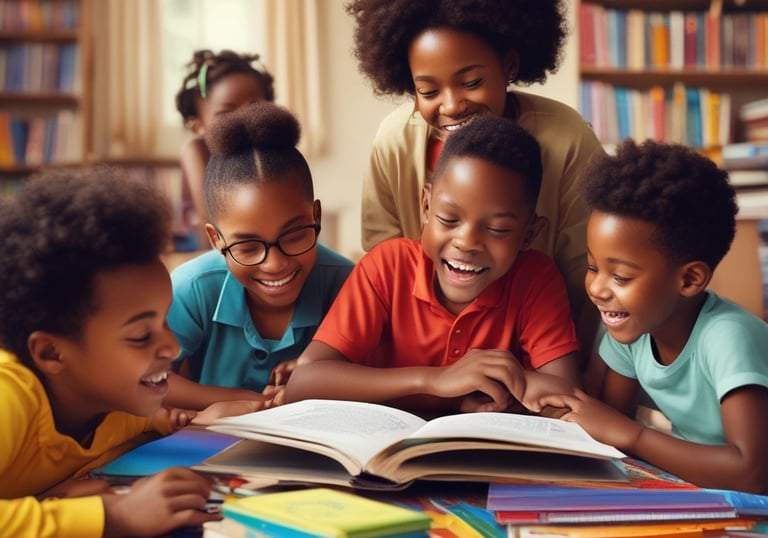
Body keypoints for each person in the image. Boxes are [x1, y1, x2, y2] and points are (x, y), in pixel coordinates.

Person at [0, 170, 264, 537]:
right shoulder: (9, 396)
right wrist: (114, 515)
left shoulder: (113, 400)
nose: (171, 349)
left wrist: (198, 421)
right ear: (51, 353)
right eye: (141, 335)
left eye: (165, 323)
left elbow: (147, 424)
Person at [345, 0, 605, 365]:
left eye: (471, 82)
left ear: (509, 65)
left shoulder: (567, 138)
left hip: (539, 349)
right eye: (429, 91)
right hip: (422, 357)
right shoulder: (395, 140)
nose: (451, 105)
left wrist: (563, 367)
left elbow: (585, 271)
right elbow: (384, 263)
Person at [285, 115, 580, 414]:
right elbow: (304, 382)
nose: (466, 242)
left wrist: (486, 402)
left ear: (529, 234)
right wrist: (434, 380)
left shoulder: (535, 279)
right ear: (426, 207)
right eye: (448, 219)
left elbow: (565, 394)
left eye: (498, 229)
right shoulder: (389, 267)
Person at [537, 139, 768, 493]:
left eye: (621, 277)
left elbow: (752, 473)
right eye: (593, 266)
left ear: (689, 279)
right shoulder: (632, 327)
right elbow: (607, 426)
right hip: (707, 493)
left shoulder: (727, 337)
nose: (598, 288)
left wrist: (633, 435)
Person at [165, 102, 355, 411]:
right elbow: (146, 378)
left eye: (294, 236)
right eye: (248, 247)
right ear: (216, 239)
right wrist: (254, 402)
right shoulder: (193, 287)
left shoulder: (349, 284)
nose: (275, 263)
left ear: (316, 216)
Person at [175, 49, 276, 235]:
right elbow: (217, 224)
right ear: (198, 125)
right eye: (226, 114)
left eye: (256, 107)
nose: (244, 119)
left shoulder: (270, 150)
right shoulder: (196, 150)